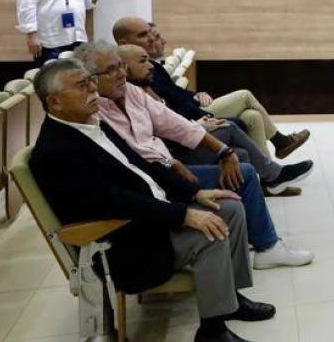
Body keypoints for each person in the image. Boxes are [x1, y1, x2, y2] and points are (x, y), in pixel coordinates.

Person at [29, 57, 274, 342]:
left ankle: (230, 298)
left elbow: (142, 165)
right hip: (126, 242)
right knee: (212, 231)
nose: (93, 90)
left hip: (151, 218)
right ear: (55, 102)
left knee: (230, 206)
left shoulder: (91, 124)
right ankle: (212, 330)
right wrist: (183, 215)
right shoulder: (55, 152)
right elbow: (113, 202)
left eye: (91, 81)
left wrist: (193, 193)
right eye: (82, 86)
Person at [78, 42, 313, 269]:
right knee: (247, 171)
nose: (121, 74)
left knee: (238, 154)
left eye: (120, 66)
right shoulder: (93, 113)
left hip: (169, 163)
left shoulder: (130, 91)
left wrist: (225, 152)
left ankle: (258, 230)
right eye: (111, 70)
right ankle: (268, 245)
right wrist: (170, 161)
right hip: (156, 177)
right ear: (90, 80)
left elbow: (174, 123)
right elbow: (130, 158)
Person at [105, 44, 313, 195]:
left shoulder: (142, 85)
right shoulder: (111, 104)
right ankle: (274, 171)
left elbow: (175, 103)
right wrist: (199, 122)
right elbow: (152, 138)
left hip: (184, 130)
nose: (154, 40)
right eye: (142, 60)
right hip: (171, 155)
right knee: (239, 107)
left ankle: (267, 183)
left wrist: (196, 97)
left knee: (248, 126)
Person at [112, 16, 310, 158]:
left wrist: (196, 93)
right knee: (244, 96)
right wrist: (201, 116)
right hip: (189, 118)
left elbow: (175, 93)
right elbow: (170, 106)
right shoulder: (134, 74)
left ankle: (269, 179)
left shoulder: (150, 65)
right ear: (123, 42)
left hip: (192, 108)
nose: (151, 40)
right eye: (143, 35)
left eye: (150, 34)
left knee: (252, 116)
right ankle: (280, 143)